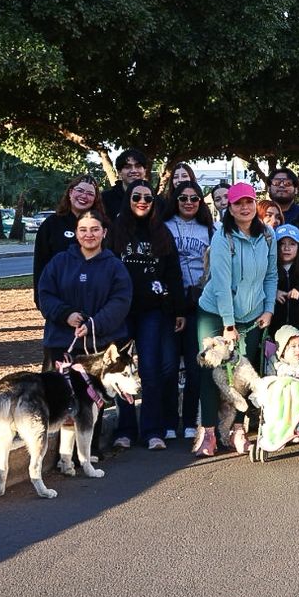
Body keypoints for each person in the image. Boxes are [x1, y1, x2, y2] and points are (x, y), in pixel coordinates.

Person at [194, 181, 277, 457]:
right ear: (229, 207)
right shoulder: (223, 238)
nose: (244, 207)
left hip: (252, 315)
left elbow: (271, 275)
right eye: (238, 203)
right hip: (216, 313)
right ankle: (208, 433)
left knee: (245, 374)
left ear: (256, 204)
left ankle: (239, 430)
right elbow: (220, 283)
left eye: (249, 202)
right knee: (210, 370)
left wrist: (268, 310)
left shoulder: (267, 236)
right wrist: (228, 325)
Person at [108, 181, 185, 451]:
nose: (142, 201)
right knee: (121, 369)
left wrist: (178, 309)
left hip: (153, 310)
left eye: (148, 198)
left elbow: (173, 274)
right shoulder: (114, 231)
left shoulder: (162, 233)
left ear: (154, 203)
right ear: (128, 199)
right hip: (121, 311)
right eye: (136, 196)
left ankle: (153, 430)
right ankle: (125, 429)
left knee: (151, 369)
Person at [38, 210, 131, 362]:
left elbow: (120, 302)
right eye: (83, 230)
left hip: (104, 347)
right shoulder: (59, 262)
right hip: (62, 343)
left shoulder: (115, 266)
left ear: (104, 232)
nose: (89, 235)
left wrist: (94, 325)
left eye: (95, 229)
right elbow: (45, 295)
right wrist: (66, 314)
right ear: (76, 233)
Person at [165, 179, 214, 445]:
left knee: (196, 368)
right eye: (183, 198)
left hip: (199, 302)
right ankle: (170, 421)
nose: (188, 203)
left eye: (194, 198)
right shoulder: (165, 226)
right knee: (171, 366)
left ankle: (190, 422)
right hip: (172, 303)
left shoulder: (209, 228)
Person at [33, 173, 107, 324]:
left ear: (95, 199)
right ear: (71, 192)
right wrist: (41, 301)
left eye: (90, 193)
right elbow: (40, 263)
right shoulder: (51, 224)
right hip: (60, 301)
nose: (84, 196)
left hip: (94, 301)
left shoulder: (102, 225)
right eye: (80, 191)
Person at [270, 224, 299, 343]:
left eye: (292, 244)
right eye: (282, 244)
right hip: (275, 333)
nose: (287, 248)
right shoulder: (269, 268)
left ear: (298, 246)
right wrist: (273, 292)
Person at [102, 148, 151, 220]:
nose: (134, 171)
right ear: (119, 172)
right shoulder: (105, 199)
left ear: (145, 171)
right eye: (128, 167)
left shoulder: (156, 200)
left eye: (138, 166)